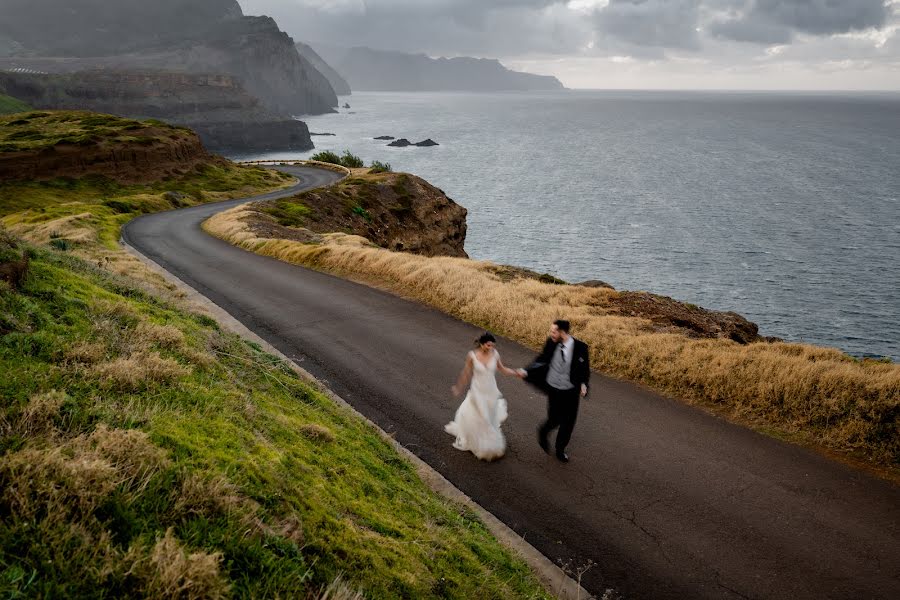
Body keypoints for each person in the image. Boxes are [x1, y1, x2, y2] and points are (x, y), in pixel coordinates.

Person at [519, 319, 590, 463]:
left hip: (570, 390)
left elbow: (584, 369)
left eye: (553, 331)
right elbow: (542, 359)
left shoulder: (581, 347)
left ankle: (560, 450)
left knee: (569, 422)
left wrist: (583, 384)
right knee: (554, 418)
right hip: (553, 387)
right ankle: (543, 432)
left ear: (562, 332)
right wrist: (526, 371)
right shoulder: (551, 343)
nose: (551, 333)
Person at [445, 332, 522, 461]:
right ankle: (483, 446)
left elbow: (502, 369)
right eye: (488, 345)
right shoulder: (472, 356)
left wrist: (516, 372)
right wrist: (458, 387)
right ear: (481, 344)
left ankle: (483, 440)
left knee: (489, 418)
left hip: (491, 392)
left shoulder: (495, 354)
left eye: (492, 345)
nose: (490, 348)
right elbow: (466, 373)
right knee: (483, 417)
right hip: (477, 392)